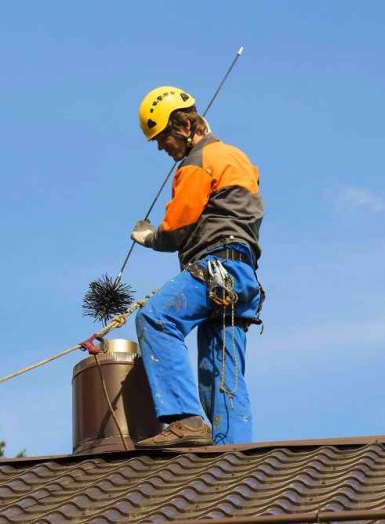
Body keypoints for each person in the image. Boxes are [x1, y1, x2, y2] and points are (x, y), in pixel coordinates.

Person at [131, 86, 264, 447]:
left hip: (216, 266)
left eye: (162, 138)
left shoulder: (196, 163)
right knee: (222, 371)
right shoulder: (236, 157)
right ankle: (233, 456)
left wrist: (151, 237)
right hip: (242, 278)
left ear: (183, 126)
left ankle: (184, 419)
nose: (162, 148)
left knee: (156, 318)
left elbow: (178, 227)